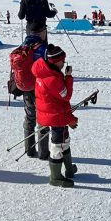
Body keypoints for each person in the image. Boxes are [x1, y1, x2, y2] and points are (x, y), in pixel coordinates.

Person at [33, 44, 77, 187]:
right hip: (55, 116)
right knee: (58, 145)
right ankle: (55, 177)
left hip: (53, 114)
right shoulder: (52, 78)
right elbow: (66, 95)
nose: (64, 63)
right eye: (63, 61)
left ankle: (69, 169)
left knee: (64, 141)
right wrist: (68, 77)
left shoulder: (45, 71)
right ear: (56, 61)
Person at [9, 32, 49, 159]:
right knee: (42, 118)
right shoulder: (42, 48)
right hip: (39, 87)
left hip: (25, 88)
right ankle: (43, 152)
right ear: (41, 34)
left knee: (29, 117)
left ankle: (29, 150)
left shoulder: (22, 47)